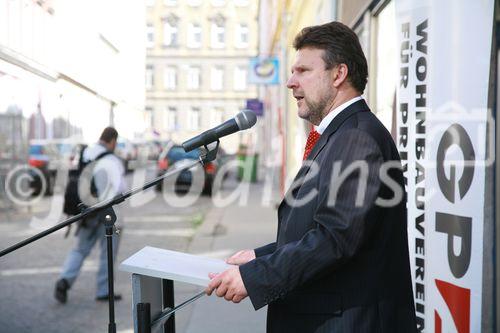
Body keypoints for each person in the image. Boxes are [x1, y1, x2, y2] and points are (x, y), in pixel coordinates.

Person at [205, 22, 417, 332]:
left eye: (303, 70)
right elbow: (317, 228)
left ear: (338, 74)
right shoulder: (339, 134)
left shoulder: (357, 138)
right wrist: (258, 256)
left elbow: (335, 238)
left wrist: (256, 277)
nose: (291, 82)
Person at [54, 126, 126, 303]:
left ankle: (65, 279)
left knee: (79, 250)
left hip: (86, 211)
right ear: (113, 141)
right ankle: (104, 291)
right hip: (110, 214)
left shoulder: (86, 153)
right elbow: (121, 189)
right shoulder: (112, 160)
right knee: (108, 252)